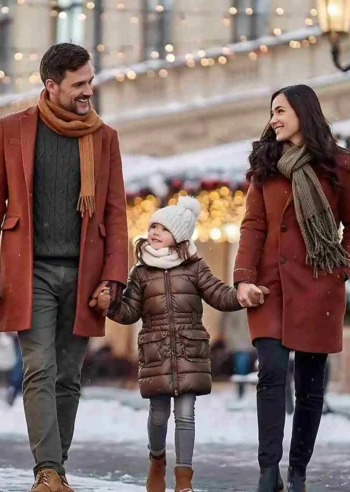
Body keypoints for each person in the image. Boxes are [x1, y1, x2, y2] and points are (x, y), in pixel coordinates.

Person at [0, 42, 129, 492]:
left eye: (90, 81)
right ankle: (47, 471)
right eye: (79, 84)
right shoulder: (13, 130)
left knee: (67, 376)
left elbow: (116, 214)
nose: (88, 91)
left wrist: (114, 277)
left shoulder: (105, 137)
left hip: (84, 274)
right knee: (38, 367)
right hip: (30, 271)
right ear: (51, 85)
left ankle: (55, 467)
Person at [233, 85, 350, 492]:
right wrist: (243, 276)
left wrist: (339, 270)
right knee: (271, 374)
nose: (273, 118)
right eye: (271, 111)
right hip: (270, 286)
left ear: (302, 112)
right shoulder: (266, 164)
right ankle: (266, 472)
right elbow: (253, 225)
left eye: (280, 110)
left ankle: (297, 474)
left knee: (310, 387)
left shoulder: (341, 164)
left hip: (317, 285)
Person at [94, 196, 267, 492]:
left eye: (163, 228)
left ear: (179, 235)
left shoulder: (195, 267)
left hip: (190, 351)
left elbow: (218, 294)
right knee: (159, 416)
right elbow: (130, 312)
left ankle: (184, 479)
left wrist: (241, 296)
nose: (155, 232)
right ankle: (157, 460)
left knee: (186, 415)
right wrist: (110, 306)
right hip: (156, 352)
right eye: (153, 227)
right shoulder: (140, 271)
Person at [221, 309, 254, 399]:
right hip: (240, 343)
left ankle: (241, 391)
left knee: (242, 366)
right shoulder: (233, 306)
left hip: (247, 341)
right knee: (241, 366)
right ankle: (240, 391)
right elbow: (228, 325)